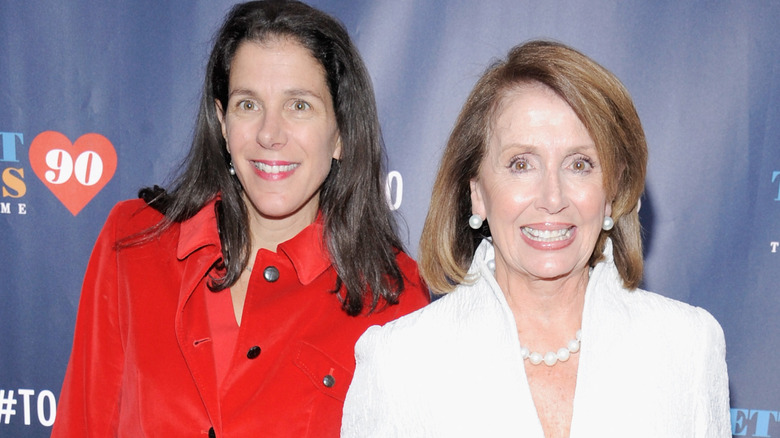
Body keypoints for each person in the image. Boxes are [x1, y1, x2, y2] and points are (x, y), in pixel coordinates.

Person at [51, 1, 429, 436]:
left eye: (299, 106)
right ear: (223, 123)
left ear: (341, 133)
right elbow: (83, 423)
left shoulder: (394, 300)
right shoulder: (134, 242)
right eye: (248, 105)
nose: (269, 133)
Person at [341, 40, 729, 437]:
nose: (552, 198)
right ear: (477, 191)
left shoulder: (688, 347)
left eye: (580, 164)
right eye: (521, 164)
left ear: (612, 192)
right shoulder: (400, 362)